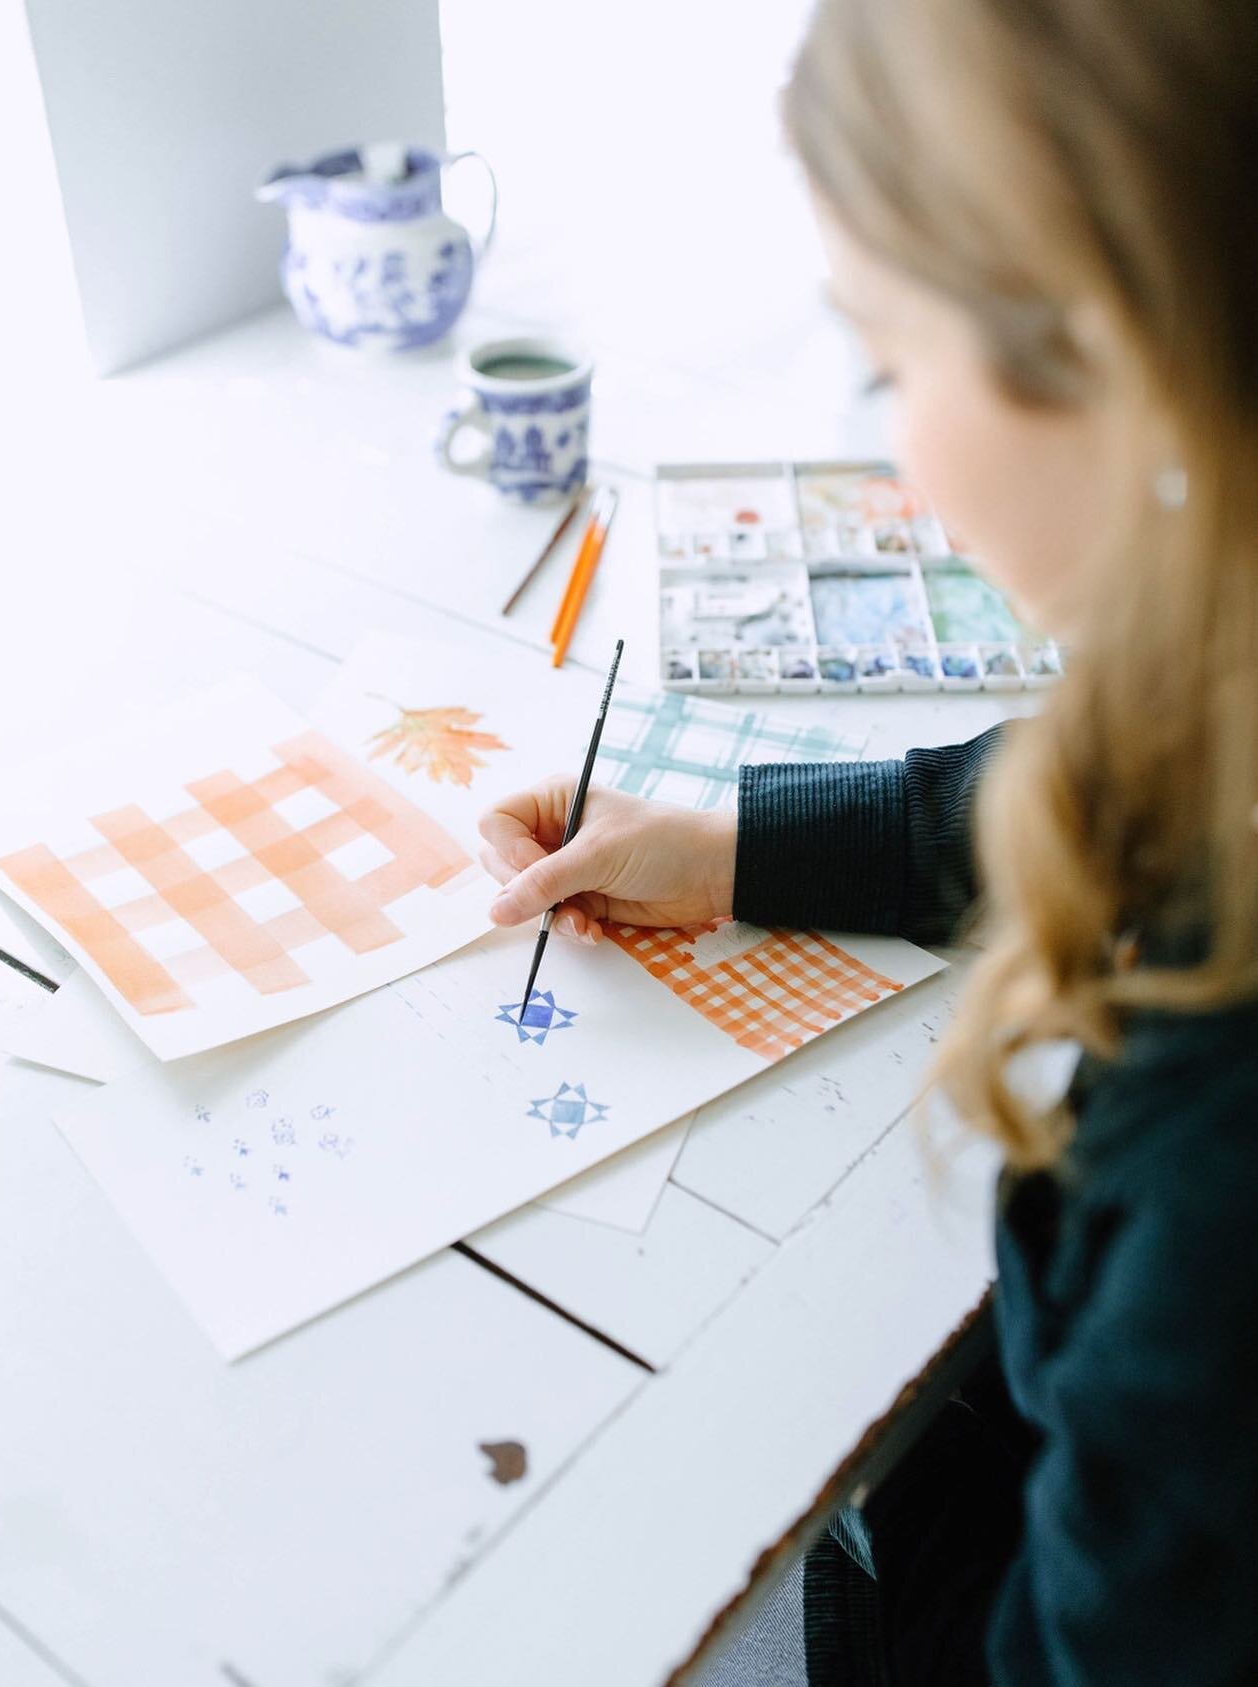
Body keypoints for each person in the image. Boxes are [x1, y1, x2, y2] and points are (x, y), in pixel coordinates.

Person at [477, 0, 1258, 1679]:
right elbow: (1114, 773)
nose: (893, 448)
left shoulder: (1218, 1182)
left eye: (891, 364)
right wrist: (739, 848)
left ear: (1126, 356)